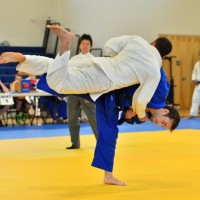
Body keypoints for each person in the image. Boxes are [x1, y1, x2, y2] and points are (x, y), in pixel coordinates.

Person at [0, 25, 172, 121]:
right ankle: (66, 44)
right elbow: (141, 100)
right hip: (104, 80)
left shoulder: (138, 41)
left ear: (153, 42)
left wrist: (116, 59)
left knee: (57, 67)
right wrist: (141, 115)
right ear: (163, 56)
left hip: (100, 62)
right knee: (59, 83)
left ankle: (24, 59)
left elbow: (110, 45)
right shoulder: (154, 70)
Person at [67, 34, 98, 149]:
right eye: (83, 44)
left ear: (91, 46)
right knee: (71, 118)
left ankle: (101, 142)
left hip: (87, 92)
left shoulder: (94, 60)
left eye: (87, 44)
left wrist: (91, 94)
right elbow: (68, 76)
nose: (85, 46)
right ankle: (75, 143)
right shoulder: (73, 59)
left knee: (93, 118)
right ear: (79, 45)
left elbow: (95, 78)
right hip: (73, 91)